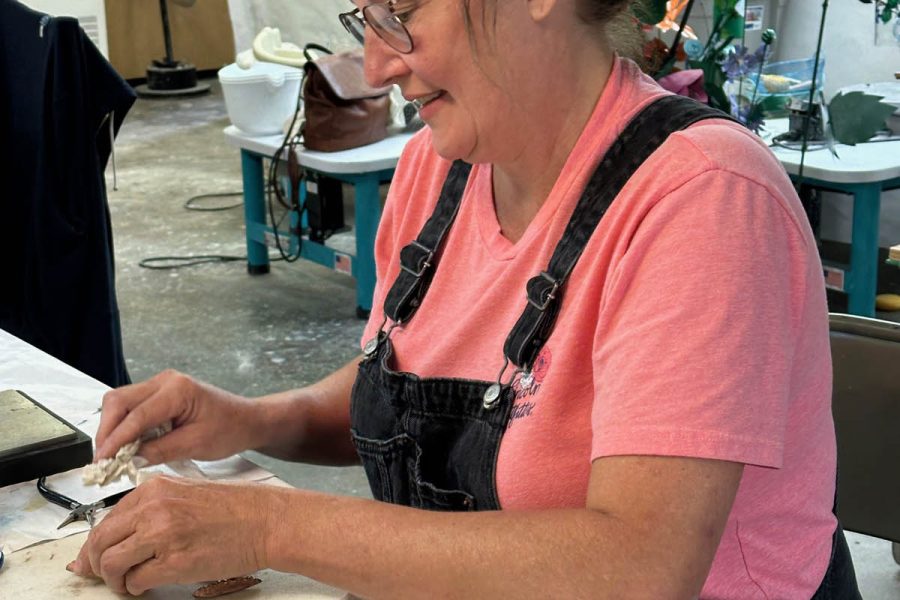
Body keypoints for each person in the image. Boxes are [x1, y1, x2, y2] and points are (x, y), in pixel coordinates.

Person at [69, 0, 860, 597]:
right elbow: (410, 379)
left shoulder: (703, 200)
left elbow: (643, 566)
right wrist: (253, 419)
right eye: (365, 18)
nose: (376, 66)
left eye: (401, 16)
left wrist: (269, 526)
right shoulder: (436, 168)